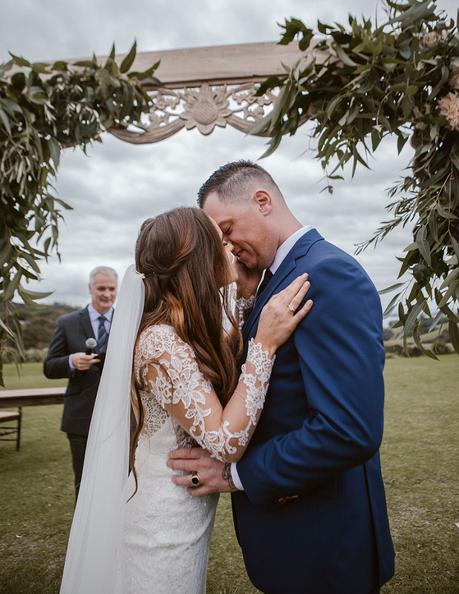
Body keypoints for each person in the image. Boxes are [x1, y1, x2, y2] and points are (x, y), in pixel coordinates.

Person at [167, 161, 395, 594]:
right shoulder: (272, 280)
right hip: (293, 537)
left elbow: (347, 430)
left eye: (228, 228)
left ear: (263, 201)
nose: (226, 247)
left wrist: (235, 475)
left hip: (323, 541)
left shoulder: (327, 274)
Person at [59, 207, 312, 594]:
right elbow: (226, 441)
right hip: (162, 522)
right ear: (199, 261)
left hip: (185, 508)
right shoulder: (159, 344)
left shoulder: (184, 328)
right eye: (219, 241)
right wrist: (265, 343)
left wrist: (245, 301)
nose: (229, 247)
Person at [44, 266, 118, 498]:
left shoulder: (128, 322)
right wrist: (71, 362)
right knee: (84, 482)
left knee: (118, 480)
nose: (106, 294)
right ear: (90, 289)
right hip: (80, 418)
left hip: (119, 417)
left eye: (111, 288)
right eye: (101, 288)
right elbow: (49, 367)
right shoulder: (67, 322)